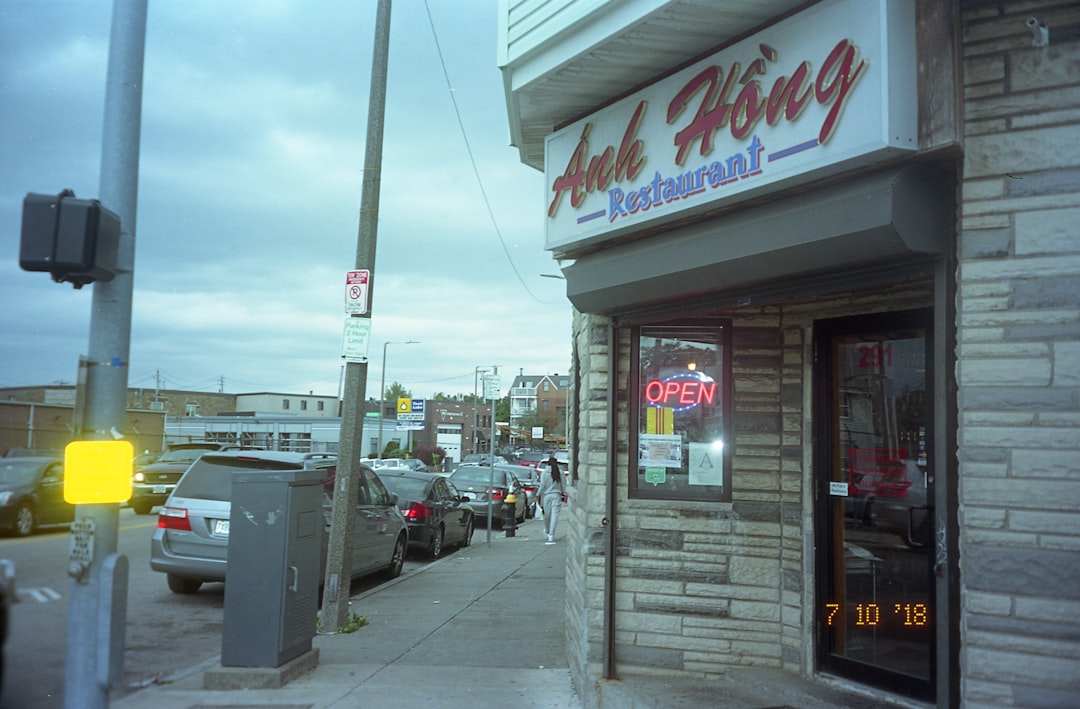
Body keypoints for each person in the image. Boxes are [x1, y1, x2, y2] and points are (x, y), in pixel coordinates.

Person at [538, 454, 565, 544]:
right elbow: (564, 486)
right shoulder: (560, 473)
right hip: (556, 495)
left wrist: (538, 494)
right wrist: (565, 494)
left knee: (547, 515)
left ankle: (547, 530)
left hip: (547, 496)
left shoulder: (544, 473)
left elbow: (542, 485)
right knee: (555, 516)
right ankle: (551, 535)